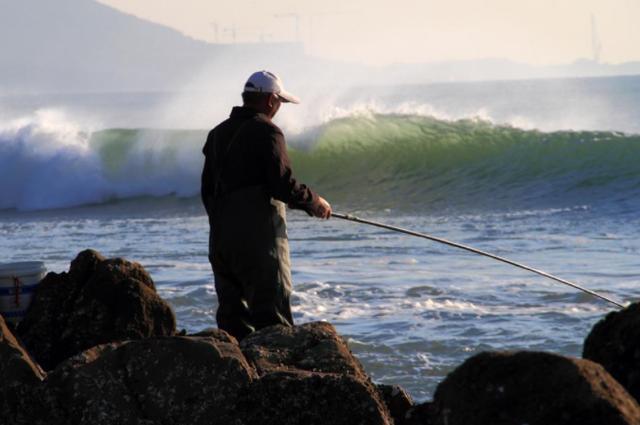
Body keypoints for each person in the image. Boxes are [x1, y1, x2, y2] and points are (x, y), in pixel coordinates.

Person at [201, 70, 331, 340]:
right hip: (259, 243)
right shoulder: (268, 131)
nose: (280, 108)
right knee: (274, 322)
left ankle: (240, 376)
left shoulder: (217, 134)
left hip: (221, 241)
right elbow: (282, 185)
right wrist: (314, 202)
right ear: (271, 100)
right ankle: (272, 378)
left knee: (233, 321)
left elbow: (207, 191)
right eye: (280, 102)